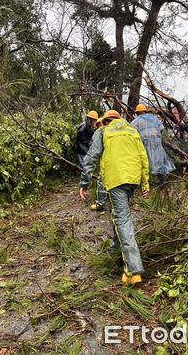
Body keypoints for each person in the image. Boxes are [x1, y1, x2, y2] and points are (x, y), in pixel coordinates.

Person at [79, 110, 149, 285]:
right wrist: (145, 183)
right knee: (119, 214)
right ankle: (117, 248)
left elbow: (91, 157)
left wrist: (84, 183)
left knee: (122, 220)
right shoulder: (132, 131)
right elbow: (143, 157)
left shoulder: (103, 131)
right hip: (133, 179)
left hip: (116, 180)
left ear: (106, 121)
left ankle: (133, 270)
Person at [131, 104, 175, 175]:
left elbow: (131, 134)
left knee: (148, 161)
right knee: (158, 160)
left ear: (137, 113)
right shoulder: (154, 118)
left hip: (144, 143)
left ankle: (151, 177)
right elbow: (162, 129)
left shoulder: (135, 121)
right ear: (145, 111)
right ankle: (161, 176)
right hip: (156, 142)